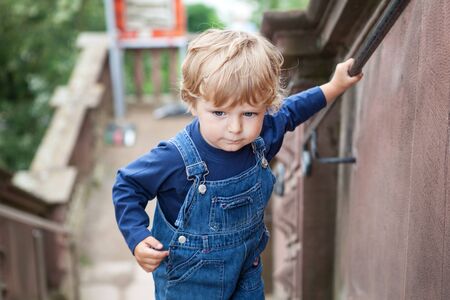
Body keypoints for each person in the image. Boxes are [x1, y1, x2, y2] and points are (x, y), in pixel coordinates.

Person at [112, 29, 362, 299]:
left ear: (266, 108)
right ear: (192, 102)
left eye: (249, 113)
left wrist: (334, 86)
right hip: (190, 283)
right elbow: (127, 184)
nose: (235, 127)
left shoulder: (264, 134)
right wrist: (137, 236)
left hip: (246, 273)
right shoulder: (174, 157)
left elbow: (291, 111)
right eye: (219, 112)